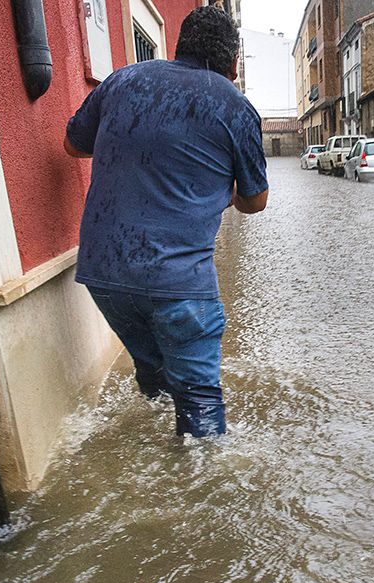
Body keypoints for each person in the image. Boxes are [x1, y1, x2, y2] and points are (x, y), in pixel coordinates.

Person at [64, 6, 268, 437]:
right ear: (233, 64)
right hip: (179, 283)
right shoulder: (234, 106)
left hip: (104, 276)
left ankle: (148, 438)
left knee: (155, 374)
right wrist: (213, 192)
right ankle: (199, 492)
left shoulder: (121, 79)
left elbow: (73, 145)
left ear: (179, 46)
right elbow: (256, 200)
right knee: (200, 408)